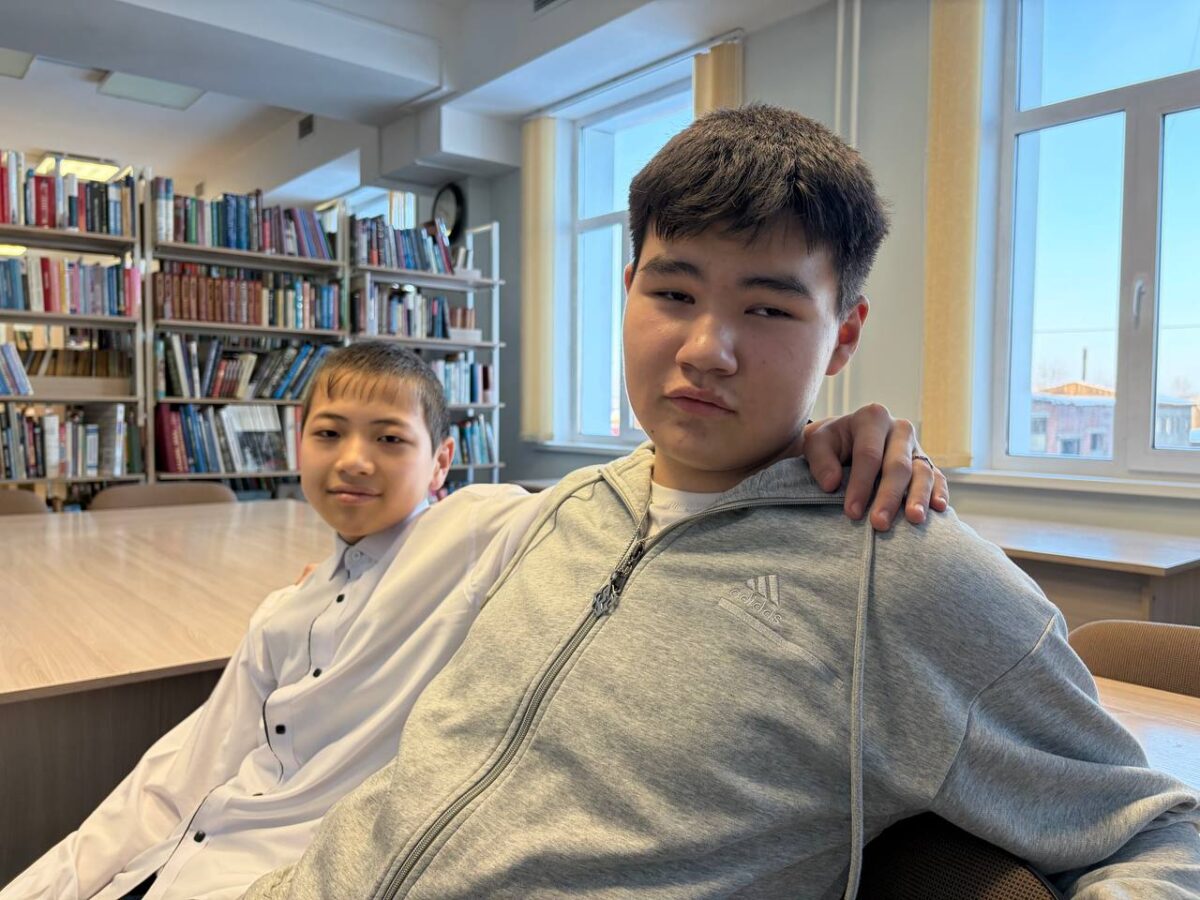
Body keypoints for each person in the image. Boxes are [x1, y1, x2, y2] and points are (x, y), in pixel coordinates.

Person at [242, 106, 1200, 900]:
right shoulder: (568, 510)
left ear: (844, 335)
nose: (706, 349)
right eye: (673, 293)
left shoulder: (906, 576)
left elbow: (1158, 831)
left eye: (769, 309)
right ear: (627, 291)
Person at [1, 341, 942, 900]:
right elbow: (185, 773)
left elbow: (650, 485)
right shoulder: (283, 611)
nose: (354, 461)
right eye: (328, 434)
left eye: (390, 439)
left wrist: (811, 443)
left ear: (443, 462)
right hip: (185, 856)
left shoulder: (479, 530)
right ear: (296, 446)